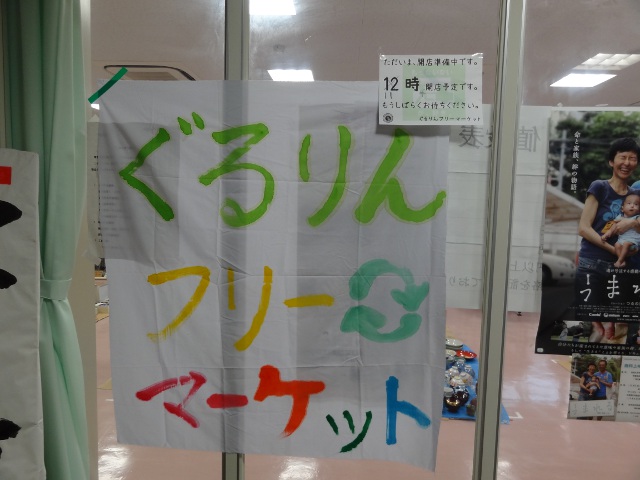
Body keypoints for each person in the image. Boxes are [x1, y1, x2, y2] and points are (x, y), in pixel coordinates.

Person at [575, 138, 640, 341]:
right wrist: (614, 251)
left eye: (632, 158)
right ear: (612, 161)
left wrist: (631, 227)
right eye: (622, 157)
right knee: (589, 321)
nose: (627, 163)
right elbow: (584, 228)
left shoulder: (635, 196)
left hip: (619, 269)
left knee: (613, 324)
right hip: (592, 264)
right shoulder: (600, 187)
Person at [602, 192, 640, 267]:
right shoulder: (620, 217)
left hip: (633, 240)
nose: (632, 206)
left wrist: (634, 223)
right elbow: (614, 225)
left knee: (626, 244)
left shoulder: (637, 217)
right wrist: (608, 233)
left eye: (636, 204)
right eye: (629, 203)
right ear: (622, 209)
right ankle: (622, 260)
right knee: (617, 245)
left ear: (639, 210)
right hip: (622, 239)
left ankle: (619, 261)